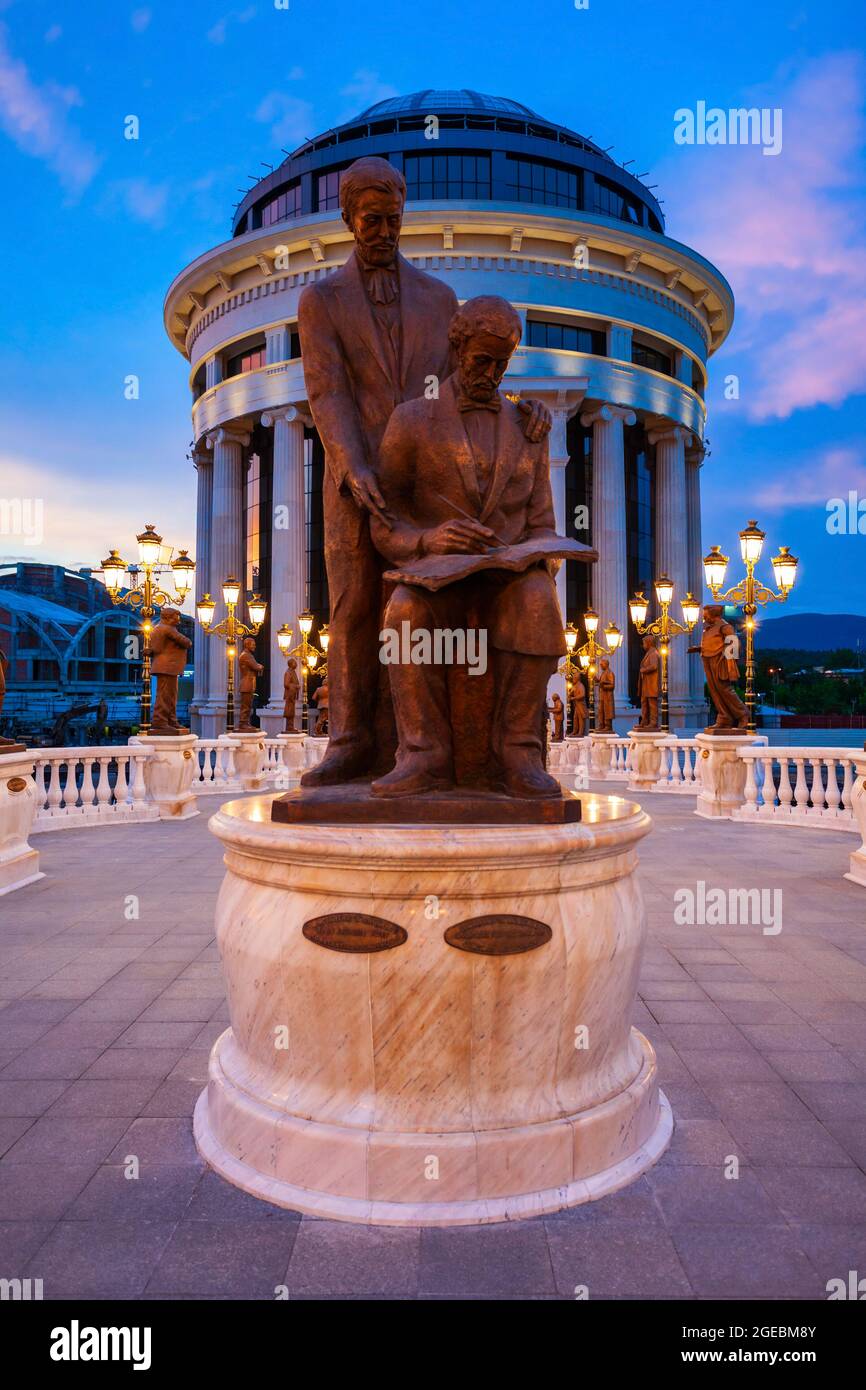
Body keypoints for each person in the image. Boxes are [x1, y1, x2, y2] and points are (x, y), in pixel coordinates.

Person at [298, 155, 551, 788]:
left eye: (393, 219)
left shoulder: (439, 298)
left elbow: (473, 379)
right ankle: (352, 742)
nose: (384, 231)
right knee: (355, 608)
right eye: (371, 220)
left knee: (430, 602)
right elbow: (327, 391)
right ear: (349, 219)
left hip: (426, 474)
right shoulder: (321, 299)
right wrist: (354, 468)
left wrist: (526, 411)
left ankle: (460, 749)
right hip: (359, 481)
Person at [369, 296, 569, 799]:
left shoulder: (530, 428)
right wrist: (427, 540)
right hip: (438, 581)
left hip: (505, 581)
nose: (492, 374)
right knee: (403, 615)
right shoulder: (412, 420)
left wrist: (540, 556)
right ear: (457, 348)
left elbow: (542, 522)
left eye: (502, 363)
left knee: (540, 599)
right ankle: (422, 754)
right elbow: (383, 523)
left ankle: (519, 751)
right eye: (482, 361)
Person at [688, 604, 748, 731]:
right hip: (707, 659)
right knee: (714, 691)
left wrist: (727, 661)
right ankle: (724, 718)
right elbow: (713, 644)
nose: (704, 618)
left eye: (705, 615)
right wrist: (698, 649)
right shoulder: (709, 628)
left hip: (719, 661)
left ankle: (743, 714)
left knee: (724, 689)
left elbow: (733, 642)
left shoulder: (724, 626)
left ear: (713, 615)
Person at [150, 608, 192, 733]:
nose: (178, 620)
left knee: (171, 696)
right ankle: (160, 721)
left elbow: (155, 648)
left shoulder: (159, 628)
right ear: (168, 618)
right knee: (165, 695)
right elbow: (187, 642)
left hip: (169, 667)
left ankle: (171, 720)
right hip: (166, 666)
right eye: (176, 618)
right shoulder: (167, 629)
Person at [238, 637, 263, 731]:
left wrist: (259, 666)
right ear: (247, 645)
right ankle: (243, 723)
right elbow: (256, 667)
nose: (255, 646)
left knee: (248, 705)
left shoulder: (248, 655)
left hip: (249, 683)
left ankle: (246, 722)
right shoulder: (246, 655)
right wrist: (260, 666)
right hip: (246, 684)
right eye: (253, 645)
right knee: (246, 705)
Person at [636, 634, 660, 730]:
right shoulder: (649, 653)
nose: (643, 645)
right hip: (646, 684)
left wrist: (644, 670)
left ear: (649, 643)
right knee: (644, 703)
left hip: (651, 684)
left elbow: (654, 666)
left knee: (652, 704)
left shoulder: (654, 653)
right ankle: (644, 721)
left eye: (644, 643)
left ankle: (653, 723)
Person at [597, 658, 616, 732]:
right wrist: (598, 680)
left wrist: (603, 686)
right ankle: (602, 725)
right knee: (601, 711)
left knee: (607, 711)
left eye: (602, 664)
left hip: (607, 697)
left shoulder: (610, 673)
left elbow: (612, 685)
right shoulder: (603, 673)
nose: (600, 666)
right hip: (602, 696)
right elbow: (602, 682)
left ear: (606, 664)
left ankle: (608, 725)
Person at [283, 657, 300, 733]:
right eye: (294, 663)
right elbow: (286, 684)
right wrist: (296, 686)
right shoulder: (288, 672)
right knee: (289, 710)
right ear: (291, 664)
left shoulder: (292, 672)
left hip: (292, 695)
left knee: (292, 710)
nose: (296, 664)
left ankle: (291, 726)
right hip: (290, 695)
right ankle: (289, 727)